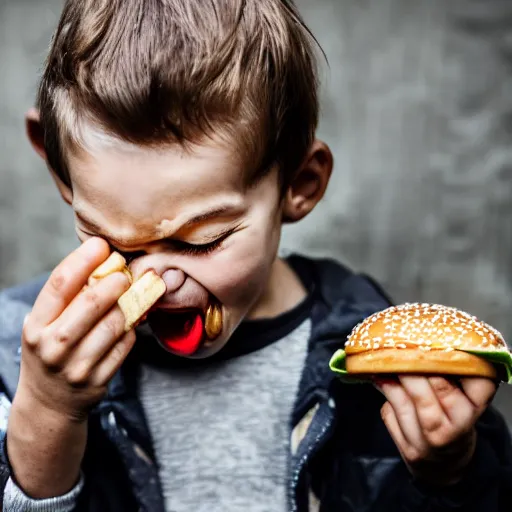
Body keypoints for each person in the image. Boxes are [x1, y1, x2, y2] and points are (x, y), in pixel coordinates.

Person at [0, 0, 510, 510]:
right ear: (61, 172)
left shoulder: (373, 360)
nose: (151, 281)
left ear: (299, 186)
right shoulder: (15, 351)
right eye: (111, 241)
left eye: (201, 241)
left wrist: (452, 471)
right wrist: (48, 413)